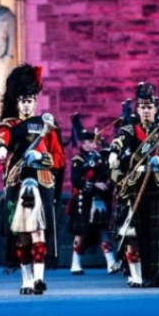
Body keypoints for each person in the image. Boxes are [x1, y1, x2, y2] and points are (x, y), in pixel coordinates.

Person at [0, 64, 65, 295]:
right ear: (17, 102)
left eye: (30, 100)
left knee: (39, 231)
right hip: (19, 183)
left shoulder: (48, 127)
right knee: (23, 234)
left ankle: (40, 279)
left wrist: (41, 158)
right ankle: (26, 279)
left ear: (35, 102)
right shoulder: (9, 125)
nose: (27, 104)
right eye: (23, 100)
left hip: (42, 182)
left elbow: (59, 159)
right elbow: (1, 139)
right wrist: (1, 148)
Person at [109, 82, 159, 288]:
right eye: (142, 107)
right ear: (137, 109)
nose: (146, 111)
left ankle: (158, 270)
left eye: (149, 107)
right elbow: (119, 141)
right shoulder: (129, 130)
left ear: (155, 109)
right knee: (139, 231)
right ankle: (143, 270)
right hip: (136, 185)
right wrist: (113, 153)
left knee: (158, 229)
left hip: (158, 183)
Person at [67, 113, 117, 275]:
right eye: (87, 142)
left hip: (99, 200)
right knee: (81, 232)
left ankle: (111, 262)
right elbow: (76, 180)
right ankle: (76, 263)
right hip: (84, 200)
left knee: (103, 231)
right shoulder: (78, 160)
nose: (89, 145)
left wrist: (109, 183)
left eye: (92, 142)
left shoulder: (102, 159)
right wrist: (95, 185)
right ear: (82, 144)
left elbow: (107, 174)